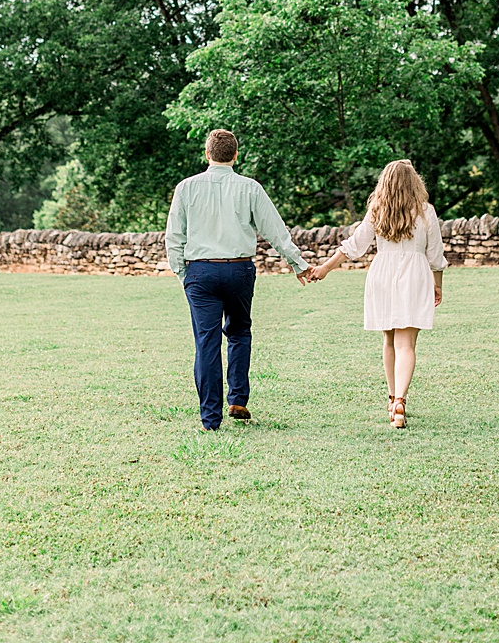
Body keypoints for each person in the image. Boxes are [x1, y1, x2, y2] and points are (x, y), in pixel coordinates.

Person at [165, 128, 311, 430]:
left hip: (200, 271)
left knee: (206, 341)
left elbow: (173, 237)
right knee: (240, 331)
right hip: (238, 269)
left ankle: (210, 418)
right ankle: (238, 399)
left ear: (207, 155)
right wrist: (298, 263)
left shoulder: (186, 188)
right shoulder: (250, 188)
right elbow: (275, 230)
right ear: (235, 155)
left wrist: (183, 273)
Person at [305, 158, 446, 428]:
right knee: (407, 344)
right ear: (414, 182)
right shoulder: (426, 211)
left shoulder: (377, 210)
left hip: (383, 273)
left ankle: (393, 398)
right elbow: (435, 254)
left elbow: (353, 246)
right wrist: (437, 282)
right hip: (414, 274)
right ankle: (401, 402)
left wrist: (325, 267)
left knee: (389, 341)